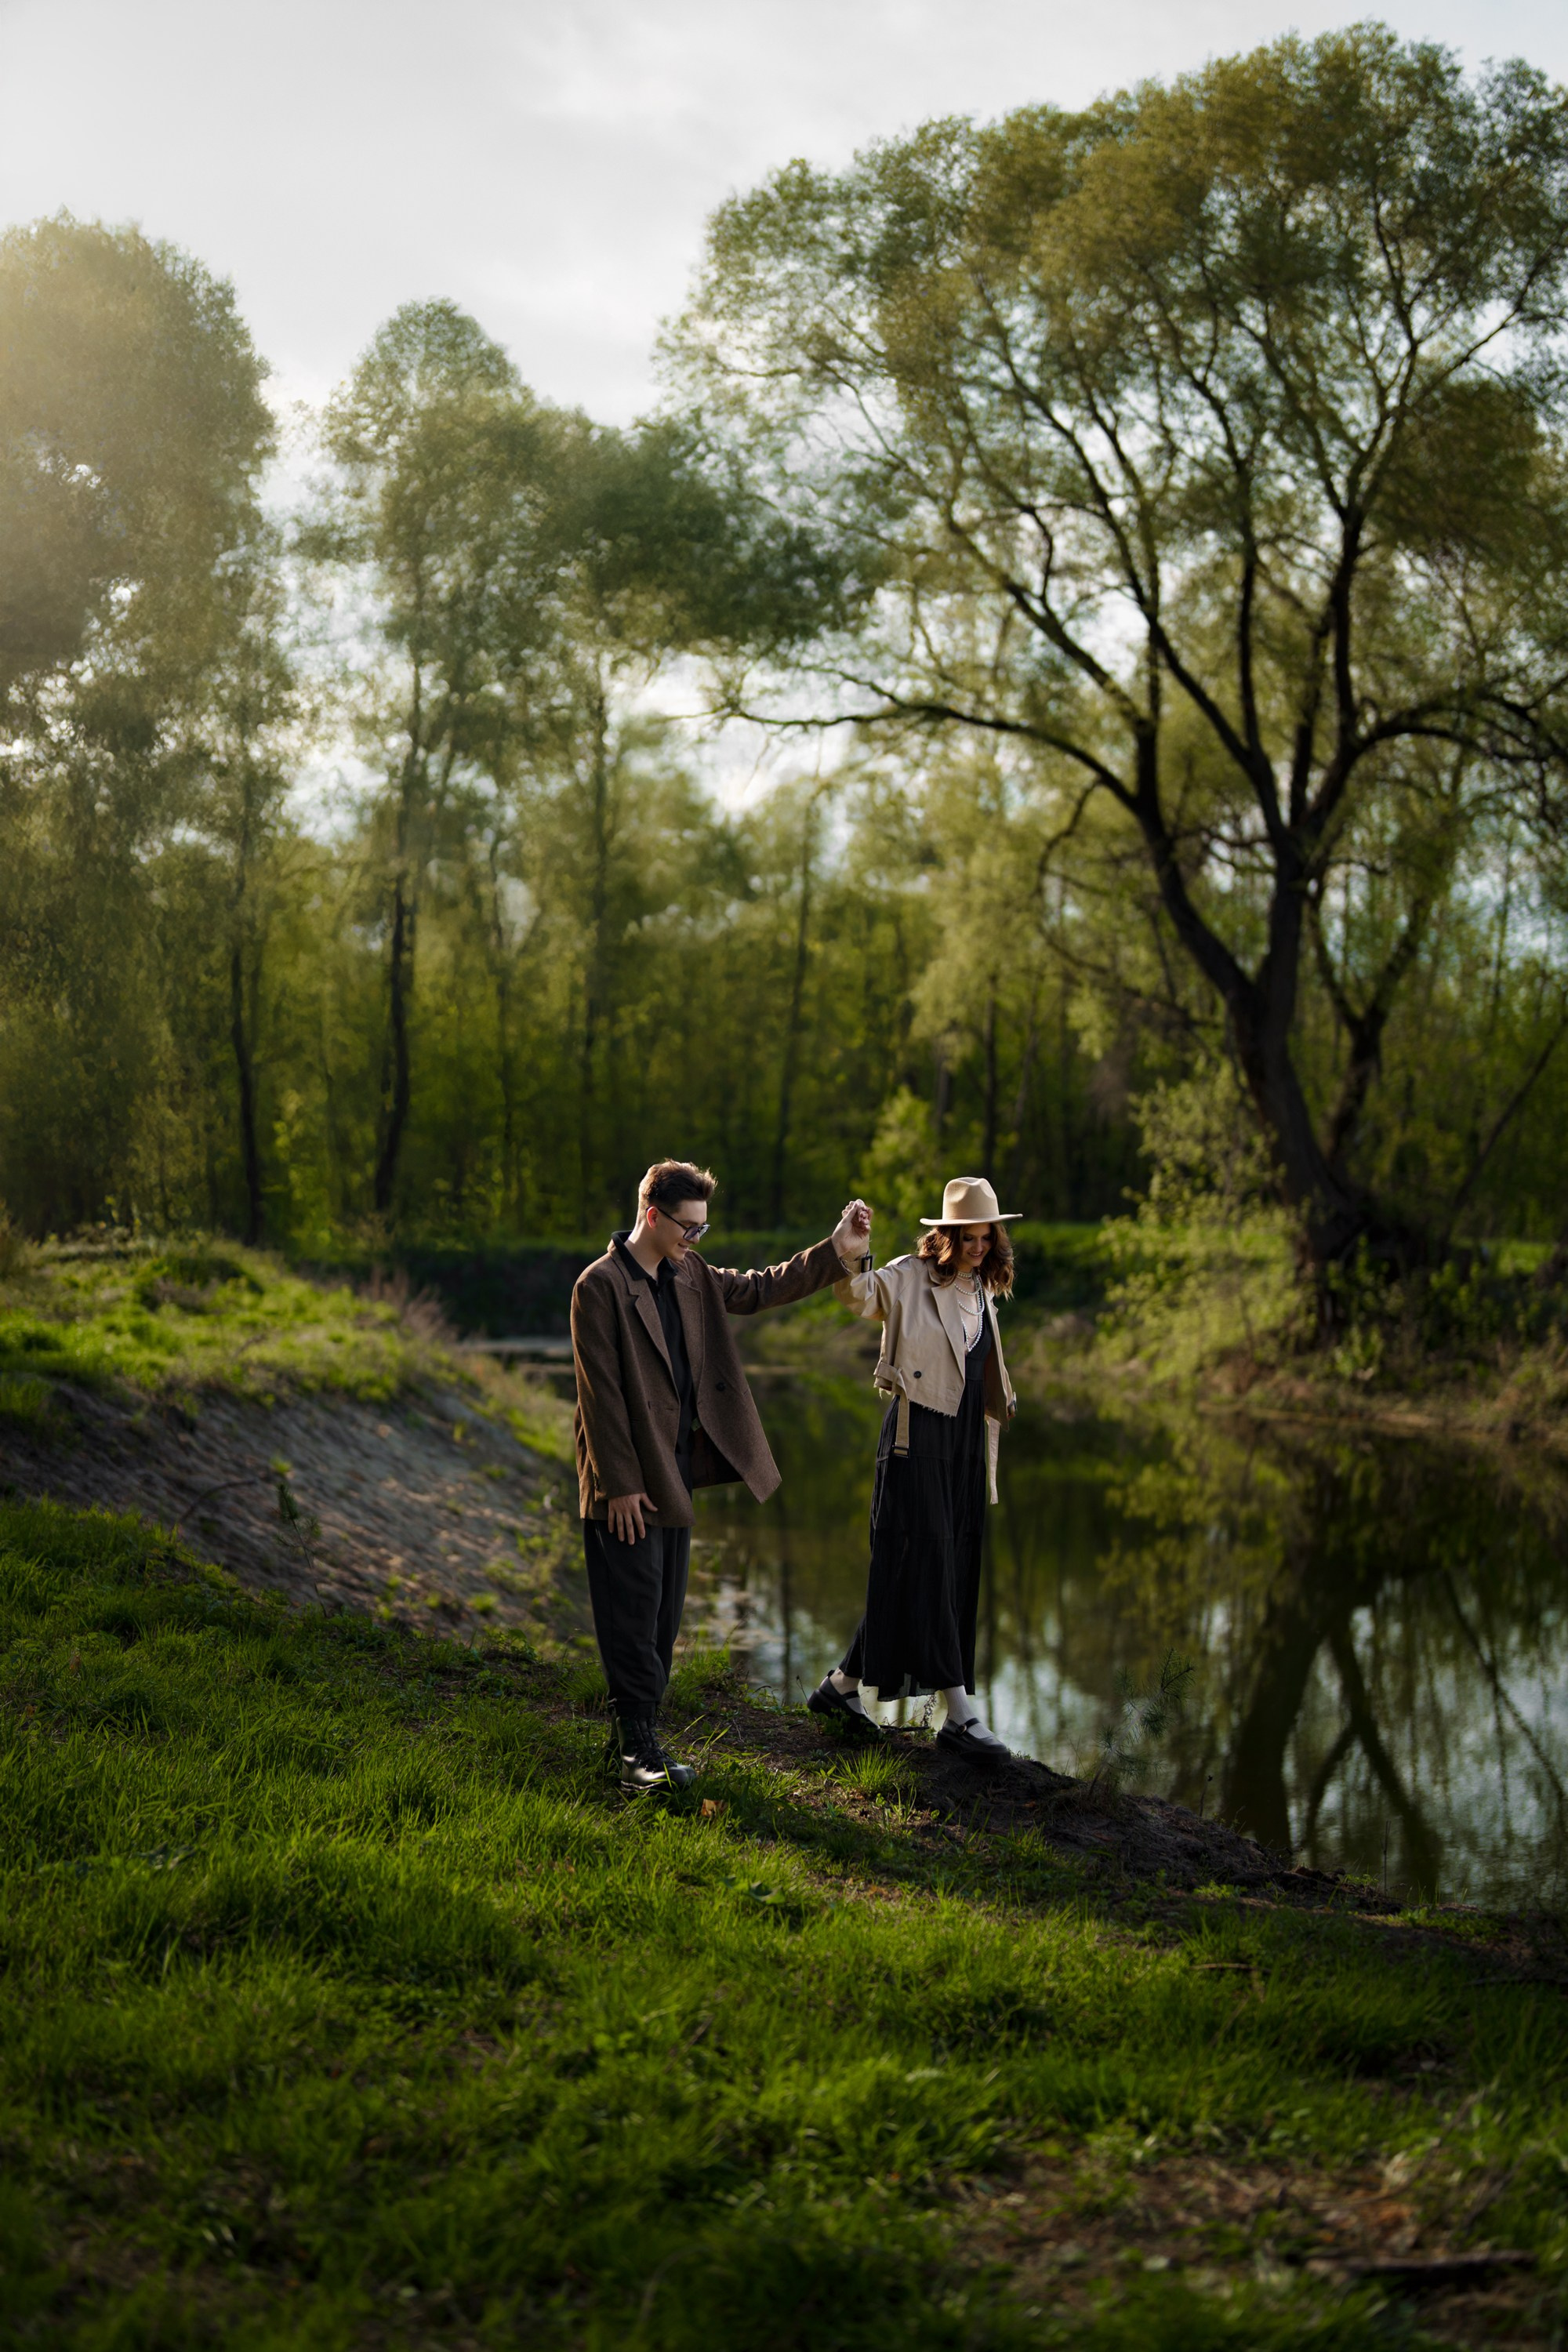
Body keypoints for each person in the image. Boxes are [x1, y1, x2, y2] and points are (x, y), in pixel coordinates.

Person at [572, 1160, 873, 1789]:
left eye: (702, 1231)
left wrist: (835, 1251)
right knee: (631, 1615)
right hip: (624, 1481)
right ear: (652, 1216)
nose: (695, 1240)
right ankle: (636, 1759)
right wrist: (620, 1484)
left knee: (660, 1620)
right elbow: (598, 1395)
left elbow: (760, 1288)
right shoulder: (598, 1286)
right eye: (688, 1228)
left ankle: (634, 1744)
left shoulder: (690, 1273)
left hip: (673, 1471)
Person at [810, 1176, 1019, 1765]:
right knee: (931, 1565)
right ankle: (960, 1715)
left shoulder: (982, 1289)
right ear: (945, 1235)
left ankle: (841, 1687)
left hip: (963, 1443)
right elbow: (856, 1296)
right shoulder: (906, 1277)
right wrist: (849, 1249)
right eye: (969, 1237)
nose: (980, 1246)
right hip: (914, 1437)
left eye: (988, 1236)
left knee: (924, 1565)